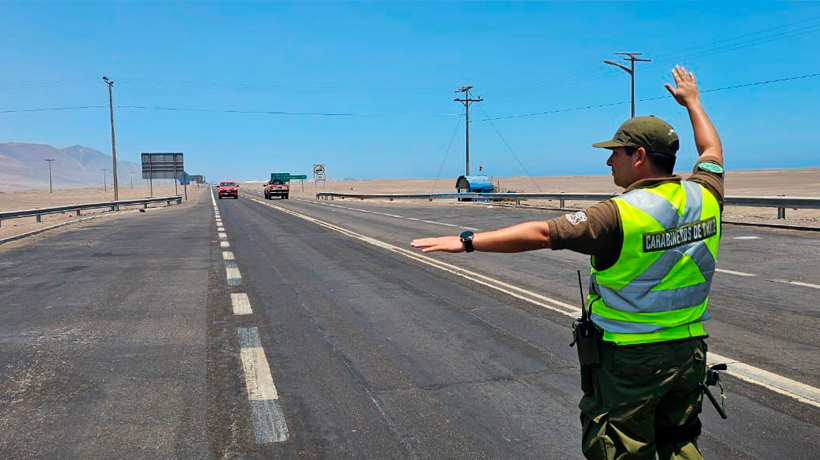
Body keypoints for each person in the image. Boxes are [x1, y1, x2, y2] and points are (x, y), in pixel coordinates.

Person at [410, 65, 724, 460]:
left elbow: (544, 233)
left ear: (639, 156)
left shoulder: (618, 214)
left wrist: (468, 241)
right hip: (689, 353)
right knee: (680, 443)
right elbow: (712, 152)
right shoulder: (706, 195)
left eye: (615, 153)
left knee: (621, 448)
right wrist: (693, 103)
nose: (609, 162)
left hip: (631, 359)